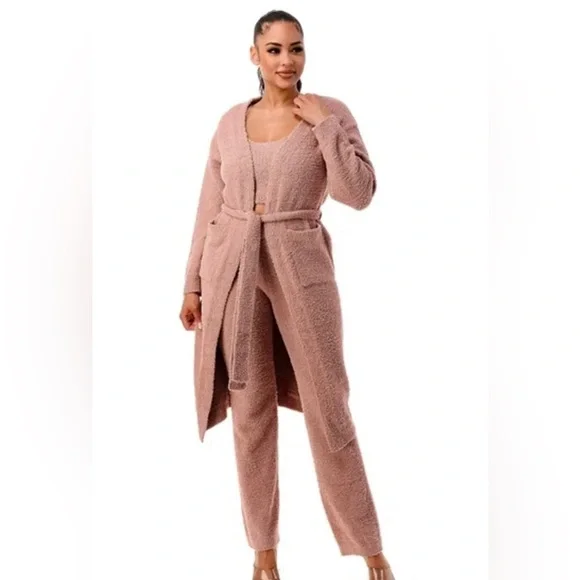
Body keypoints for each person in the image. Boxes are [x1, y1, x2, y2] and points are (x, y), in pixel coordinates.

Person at [179, 10, 396, 580]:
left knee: (329, 409)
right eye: (273, 49)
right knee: (250, 412)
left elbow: (359, 193)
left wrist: (324, 127)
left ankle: (370, 547)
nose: (286, 60)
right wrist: (193, 283)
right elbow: (209, 205)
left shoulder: (329, 112)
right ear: (254, 55)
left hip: (301, 267)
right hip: (233, 268)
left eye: (295, 48)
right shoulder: (230, 122)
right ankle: (263, 553)